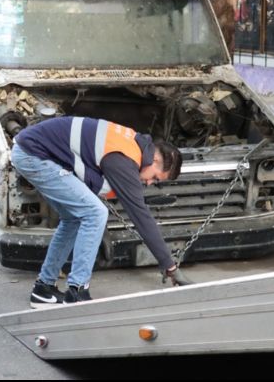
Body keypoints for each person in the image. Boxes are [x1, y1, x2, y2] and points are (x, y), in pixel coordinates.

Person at [10, 116, 193, 309]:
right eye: (155, 178)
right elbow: (141, 217)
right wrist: (170, 266)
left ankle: (43, 290)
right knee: (95, 213)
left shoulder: (133, 144)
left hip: (32, 151)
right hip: (34, 155)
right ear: (155, 159)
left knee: (73, 218)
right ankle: (77, 290)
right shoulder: (125, 158)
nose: (149, 183)